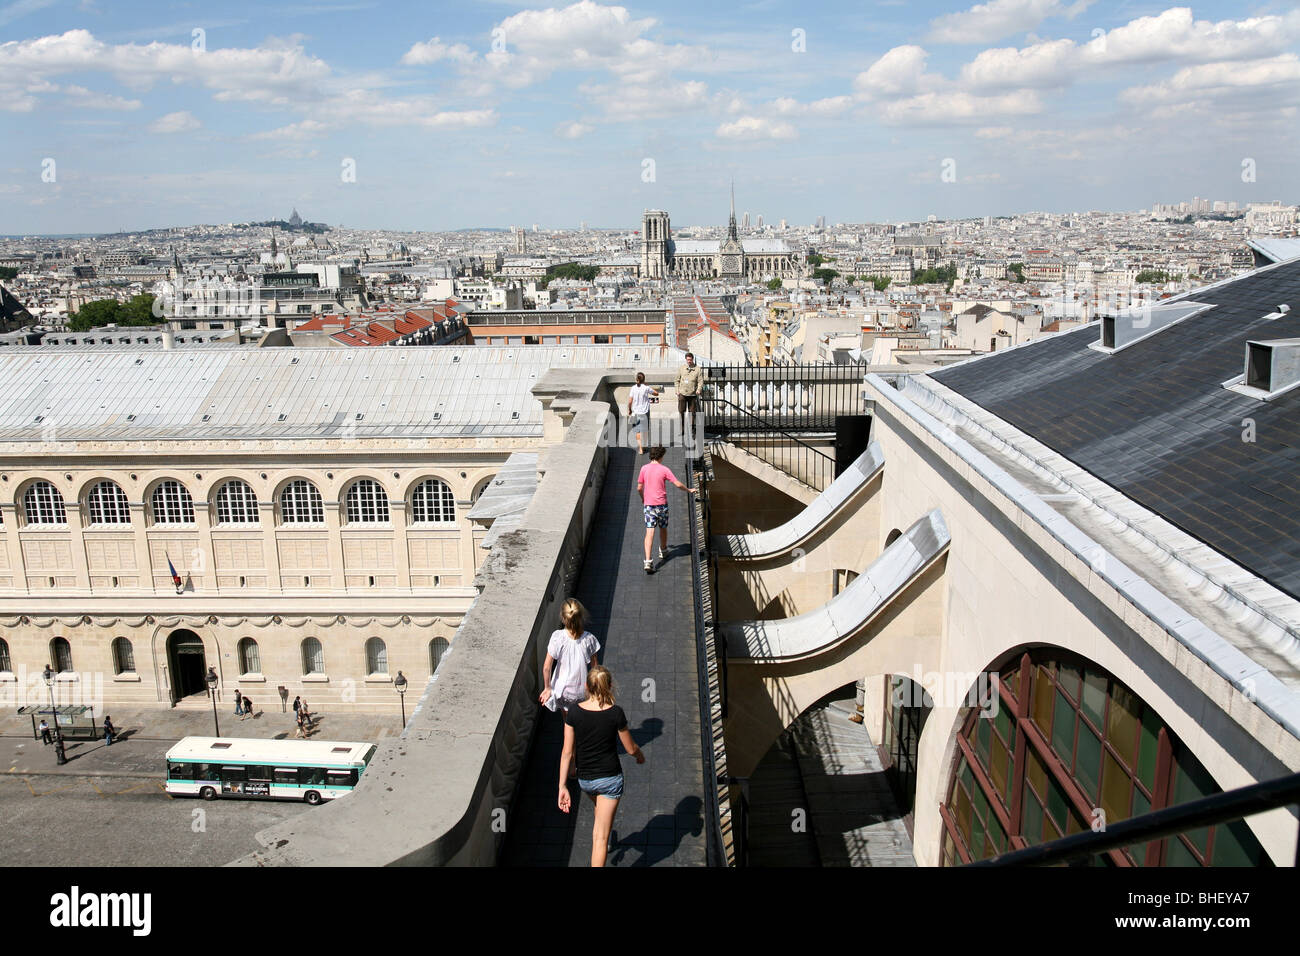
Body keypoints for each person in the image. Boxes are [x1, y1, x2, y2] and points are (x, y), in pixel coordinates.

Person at [557, 665, 645, 868]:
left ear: (587, 686)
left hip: (585, 779)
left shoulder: (574, 713)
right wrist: (640, 756)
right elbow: (630, 748)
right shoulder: (616, 713)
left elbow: (567, 753)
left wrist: (562, 786)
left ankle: (601, 826)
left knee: (600, 815)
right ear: (610, 686)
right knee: (600, 838)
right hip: (609, 779)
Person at [637, 445, 696, 573]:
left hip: (649, 506)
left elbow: (639, 488)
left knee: (649, 532)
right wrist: (688, 490)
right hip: (661, 505)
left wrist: (643, 498)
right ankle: (663, 550)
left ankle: (648, 561)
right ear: (661, 456)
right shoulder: (664, 469)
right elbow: (677, 483)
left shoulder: (644, 468)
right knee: (663, 528)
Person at [539, 598, 600, 715]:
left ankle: (568, 730)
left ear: (563, 617)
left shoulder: (558, 637)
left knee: (567, 720)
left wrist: (547, 688)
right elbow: (595, 668)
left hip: (563, 691)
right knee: (582, 717)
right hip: (582, 690)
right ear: (581, 616)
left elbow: (547, 667)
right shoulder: (589, 639)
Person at [674, 352, 704, 445]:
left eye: (690, 360)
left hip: (692, 395)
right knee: (681, 412)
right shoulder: (682, 368)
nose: (689, 361)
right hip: (682, 394)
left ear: (692, 359)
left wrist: (699, 389)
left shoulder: (698, 369)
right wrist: (677, 390)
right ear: (686, 360)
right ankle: (682, 430)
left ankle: (692, 430)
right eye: (687, 360)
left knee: (692, 414)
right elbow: (676, 380)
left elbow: (700, 381)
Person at [627, 372, 659, 455]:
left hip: (635, 412)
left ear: (636, 379)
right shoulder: (646, 388)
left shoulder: (633, 388)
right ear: (644, 379)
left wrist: (629, 410)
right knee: (644, 430)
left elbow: (630, 401)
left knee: (637, 431)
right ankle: (644, 445)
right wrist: (646, 385)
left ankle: (640, 448)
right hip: (644, 412)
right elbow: (656, 393)